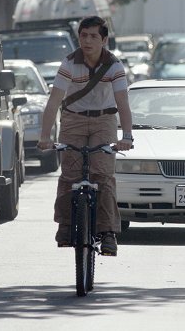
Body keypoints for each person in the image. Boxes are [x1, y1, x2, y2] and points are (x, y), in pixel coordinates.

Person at [37, 16, 133, 256]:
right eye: (83, 36)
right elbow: (53, 103)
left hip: (104, 121)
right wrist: (44, 137)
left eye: (93, 36)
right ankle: (66, 225)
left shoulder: (114, 66)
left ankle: (108, 232)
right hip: (73, 120)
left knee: (103, 175)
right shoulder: (69, 63)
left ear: (104, 40)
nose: (87, 41)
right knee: (69, 174)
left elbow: (122, 103)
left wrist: (127, 136)